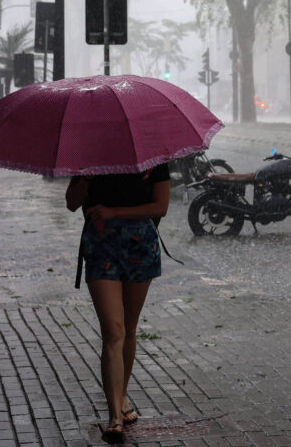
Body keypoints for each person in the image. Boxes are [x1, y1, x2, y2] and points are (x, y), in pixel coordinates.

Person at [65, 163, 170, 443]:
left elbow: (160, 207)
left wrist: (115, 212)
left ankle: (121, 395)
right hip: (101, 245)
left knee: (129, 327)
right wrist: (86, 177)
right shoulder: (89, 157)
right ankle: (114, 416)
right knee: (113, 330)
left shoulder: (152, 156)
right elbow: (71, 203)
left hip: (140, 246)